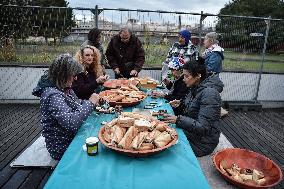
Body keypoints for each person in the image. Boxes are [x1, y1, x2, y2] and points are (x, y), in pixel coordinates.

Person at [32, 54, 101, 160]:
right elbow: (71, 123)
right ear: (63, 75)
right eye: (73, 75)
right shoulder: (52, 95)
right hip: (62, 146)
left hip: (72, 136)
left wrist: (92, 102)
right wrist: (90, 103)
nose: (76, 78)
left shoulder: (64, 87)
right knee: (98, 150)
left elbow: (77, 103)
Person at [162, 57, 224, 157]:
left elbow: (203, 127)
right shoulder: (196, 87)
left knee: (165, 148)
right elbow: (195, 107)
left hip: (202, 143)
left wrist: (178, 119)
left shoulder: (210, 94)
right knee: (163, 133)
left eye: (186, 76)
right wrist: (181, 104)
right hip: (193, 134)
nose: (183, 79)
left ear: (198, 76)